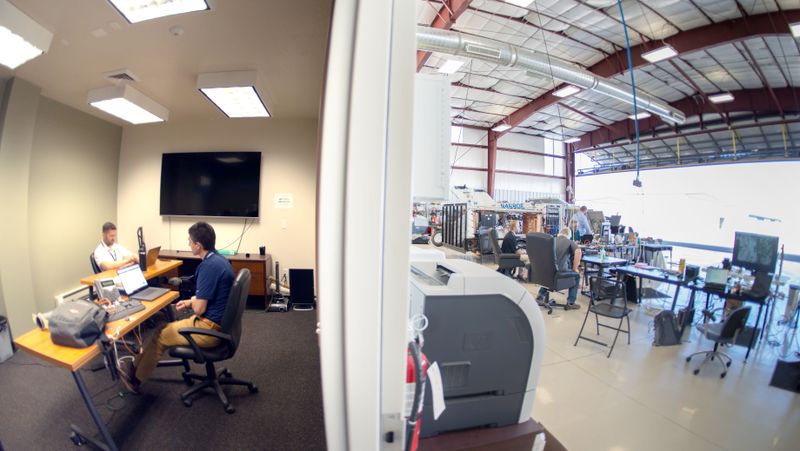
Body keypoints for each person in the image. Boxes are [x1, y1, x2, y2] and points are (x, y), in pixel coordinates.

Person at [119, 222, 234, 393]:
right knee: (161, 328)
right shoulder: (219, 260)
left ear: (198, 245)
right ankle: (135, 365)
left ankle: (135, 379)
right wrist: (190, 300)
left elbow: (199, 310)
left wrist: (194, 303)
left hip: (209, 328)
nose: (188, 243)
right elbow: (212, 294)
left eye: (190, 241)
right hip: (219, 323)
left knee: (161, 336)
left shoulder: (207, 267)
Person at [536, 227, 582, 310]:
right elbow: (578, 251)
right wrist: (575, 268)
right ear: (569, 235)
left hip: (546, 271)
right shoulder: (569, 242)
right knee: (577, 275)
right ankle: (571, 303)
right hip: (559, 272)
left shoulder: (551, 240)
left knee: (549, 274)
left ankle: (540, 296)